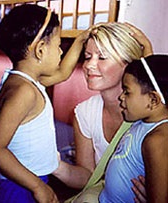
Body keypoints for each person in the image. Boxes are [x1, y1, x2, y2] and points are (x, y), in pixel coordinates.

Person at [0, 4, 90, 203]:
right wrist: (37, 187)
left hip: (28, 179)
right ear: (40, 50)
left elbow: (63, 73)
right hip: (18, 186)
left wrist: (80, 40)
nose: (61, 52)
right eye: (58, 45)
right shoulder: (23, 92)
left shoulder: (25, 81)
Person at [53, 22, 153, 201]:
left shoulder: (148, 111)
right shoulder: (85, 113)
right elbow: (88, 176)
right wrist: (54, 165)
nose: (89, 65)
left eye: (102, 57)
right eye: (87, 56)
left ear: (129, 63)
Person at [99, 54, 168, 203]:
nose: (121, 97)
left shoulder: (158, 140)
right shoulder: (143, 121)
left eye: (127, 91)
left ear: (153, 100)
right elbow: (153, 76)